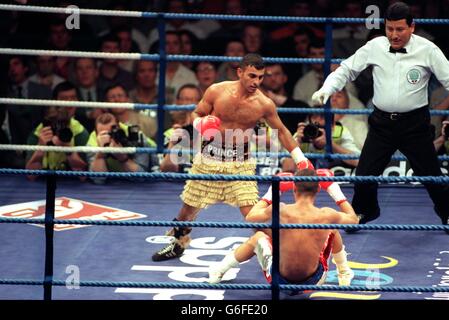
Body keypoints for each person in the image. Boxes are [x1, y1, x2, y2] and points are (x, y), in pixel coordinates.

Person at [152, 53, 314, 261]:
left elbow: (281, 131)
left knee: (253, 214)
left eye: (260, 77)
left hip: (240, 164)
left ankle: (282, 255)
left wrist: (300, 159)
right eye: (252, 76)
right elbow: (196, 114)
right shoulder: (216, 91)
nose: (256, 82)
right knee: (187, 210)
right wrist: (201, 124)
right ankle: (178, 244)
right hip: (208, 160)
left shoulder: (264, 104)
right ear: (240, 72)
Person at [310, 2, 449, 231]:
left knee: (431, 174)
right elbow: (346, 69)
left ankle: (447, 213)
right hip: (382, 123)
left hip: (415, 124)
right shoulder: (375, 46)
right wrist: (328, 87)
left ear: (412, 27)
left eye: (399, 29)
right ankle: (364, 211)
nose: (394, 35)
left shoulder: (428, 49)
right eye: (389, 29)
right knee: (365, 172)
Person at [208, 168, 358, 287]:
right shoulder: (327, 214)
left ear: (294, 189)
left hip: (279, 280)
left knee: (258, 237)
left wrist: (274, 191)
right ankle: (344, 272)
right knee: (331, 228)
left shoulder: (281, 210)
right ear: (318, 190)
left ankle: (219, 271)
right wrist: (333, 188)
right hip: (314, 281)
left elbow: (250, 217)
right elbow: (354, 220)